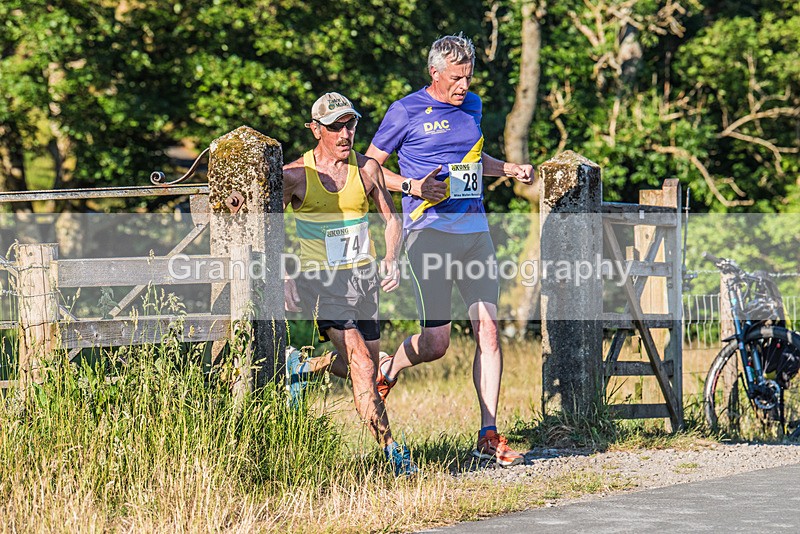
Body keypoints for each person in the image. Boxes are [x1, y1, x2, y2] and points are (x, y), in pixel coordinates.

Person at [364, 34, 534, 467]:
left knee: (489, 332)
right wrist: (415, 186)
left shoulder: (472, 107)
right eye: (456, 78)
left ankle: (488, 433)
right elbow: (370, 169)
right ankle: (391, 368)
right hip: (429, 233)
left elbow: (475, 160)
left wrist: (508, 168)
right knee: (438, 342)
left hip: (475, 232)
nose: (464, 86)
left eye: (469, 77)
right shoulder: (405, 111)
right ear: (434, 73)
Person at [281, 92, 415, 476]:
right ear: (315, 129)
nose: (345, 133)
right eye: (335, 126)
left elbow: (392, 220)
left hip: (364, 280)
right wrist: (286, 273)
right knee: (359, 360)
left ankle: (305, 367)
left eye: (350, 124)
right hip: (320, 283)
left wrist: (391, 259)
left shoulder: (367, 169)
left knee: (367, 367)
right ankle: (393, 451)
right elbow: (266, 228)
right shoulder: (295, 175)